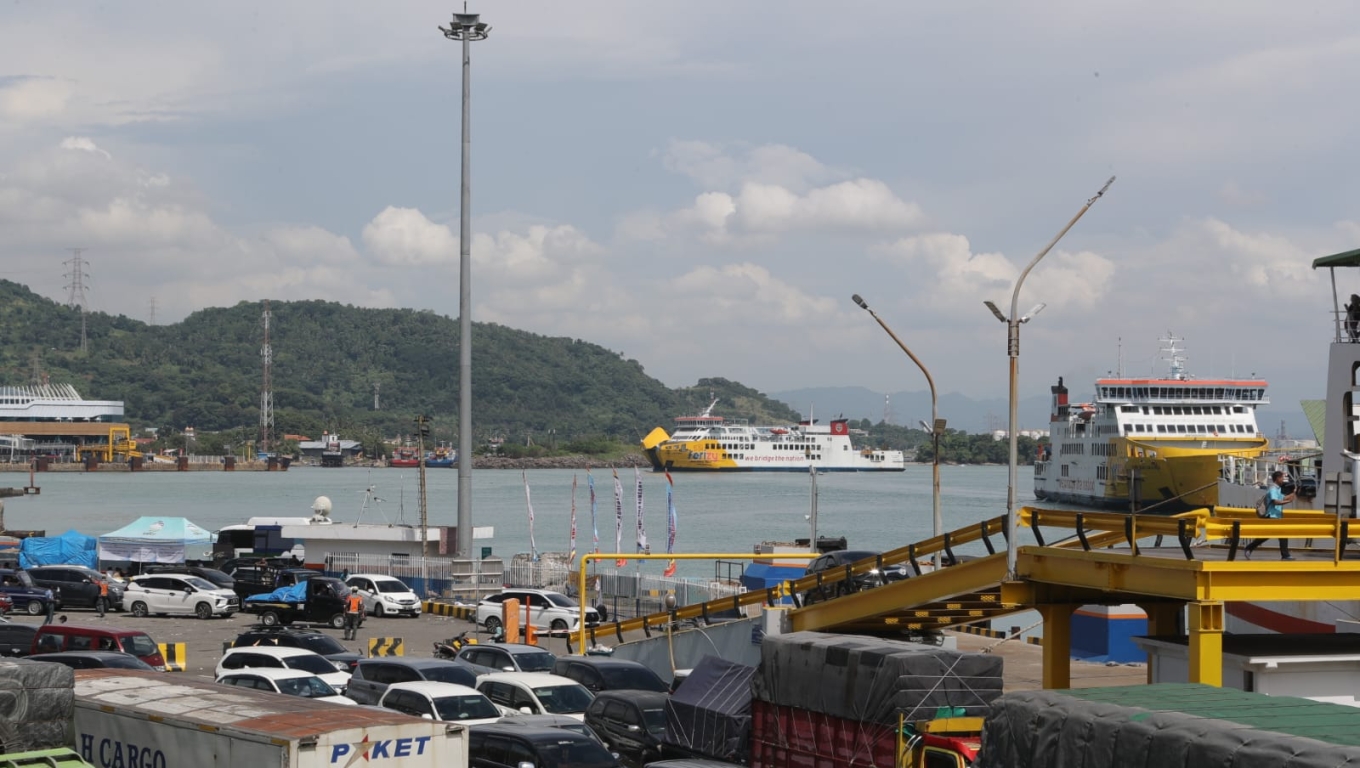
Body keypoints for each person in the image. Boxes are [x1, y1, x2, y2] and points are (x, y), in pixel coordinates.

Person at [1245, 470, 1298, 560]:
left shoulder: (1277, 489)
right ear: (1277, 478)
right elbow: (1276, 501)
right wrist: (1288, 501)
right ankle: (1285, 555)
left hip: (1276, 516)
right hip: (1272, 516)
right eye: (1282, 478)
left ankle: (1249, 548)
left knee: (1272, 535)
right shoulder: (1273, 489)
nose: (1283, 480)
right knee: (1279, 535)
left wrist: (1294, 493)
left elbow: (1283, 497)